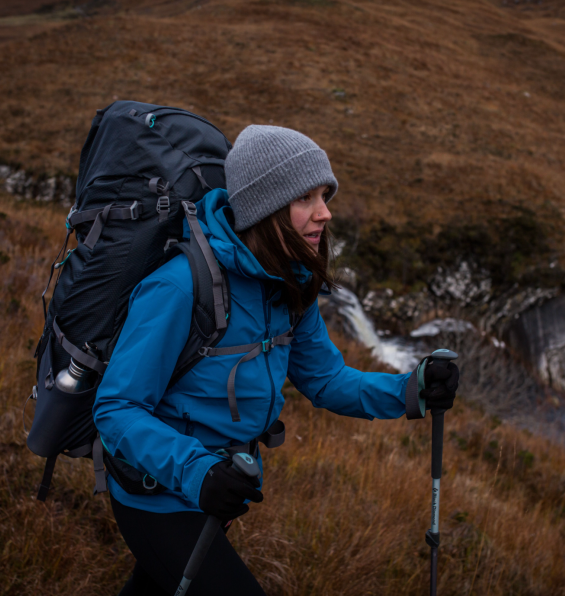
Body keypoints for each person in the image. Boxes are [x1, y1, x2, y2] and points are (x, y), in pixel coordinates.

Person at [93, 125, 460, 595]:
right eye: (306, 198)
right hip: (157, 495)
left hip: (218, 490)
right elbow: (116, 409)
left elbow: (325, 380)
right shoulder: (181, 286)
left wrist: (411, 390)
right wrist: (198, 472)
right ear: (265, 207)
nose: (325, 213)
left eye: (324, 195)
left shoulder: (290, 283)